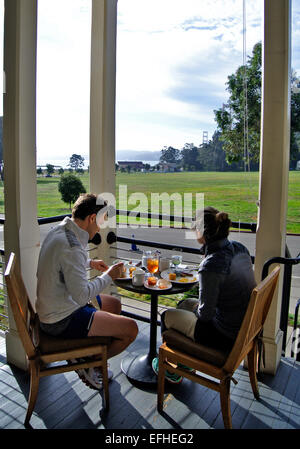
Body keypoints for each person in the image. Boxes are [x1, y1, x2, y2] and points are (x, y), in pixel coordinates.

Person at [36, 193, 138, 390]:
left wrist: (90, 262)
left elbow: (63, 264)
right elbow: (82, 296)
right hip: (60, 320)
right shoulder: (72, 246)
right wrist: (109, 275)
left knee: (114, 304)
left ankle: (88, 356)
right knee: (131, 330)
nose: (100, 228)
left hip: (54, 307)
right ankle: (89, 363)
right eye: (100, 222)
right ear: (92, 218)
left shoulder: (61, 230)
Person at [152, 206, 256, 383]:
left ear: (201, 232)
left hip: (222, 335)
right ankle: (184, 362)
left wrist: (197, 309)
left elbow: (205, 314)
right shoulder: (240, 248)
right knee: (184, 304)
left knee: (166, 316)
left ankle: (172, 370)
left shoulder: (211, 265)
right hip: (243, 326)